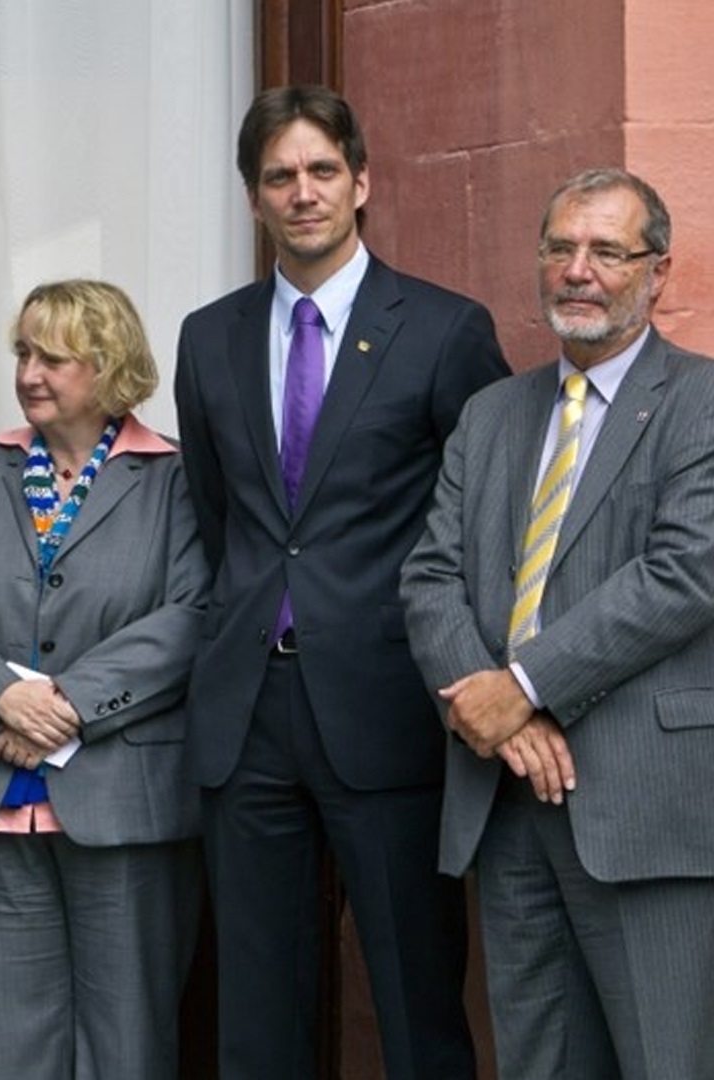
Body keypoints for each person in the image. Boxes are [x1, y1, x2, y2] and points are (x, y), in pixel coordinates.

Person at [172, 85, 509, 1080]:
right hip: (247, 709)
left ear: (362, 182)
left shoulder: (445, 330)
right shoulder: (209, 337)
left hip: (390, 703)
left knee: (415, 1001)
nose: (303, 192)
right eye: (280, 176)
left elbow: (487, 521)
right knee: (258, 1017)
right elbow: (221, 515)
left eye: (323, 170)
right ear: (253, 198)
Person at [403, 168, 714, 1079]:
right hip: (508, 806)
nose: (578, 270)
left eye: (607, 251)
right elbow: (429, 576)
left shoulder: (700, 403)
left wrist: (526, 685)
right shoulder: (492, 413)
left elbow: (685, 571)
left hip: (647, 810)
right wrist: (498, 716)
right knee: (538, 1062)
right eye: (560, 248)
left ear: (658, 271)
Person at [0, 280, 207, 1079]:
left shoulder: (176, 477)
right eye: (24, 353)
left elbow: (192, 612)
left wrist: (67, 704)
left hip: (123, 799)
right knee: (9, 1046)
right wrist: (1, 697)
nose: (30, 373)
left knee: (127, 1045)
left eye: (55, 358)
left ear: (110, 367)